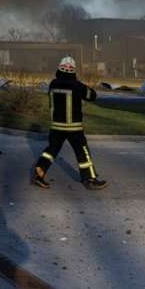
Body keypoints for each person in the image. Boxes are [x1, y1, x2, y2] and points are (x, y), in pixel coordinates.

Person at [31, 56, 107, 190]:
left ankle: (40, 170)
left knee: (51, 150)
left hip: (56, 127)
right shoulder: (77, 85)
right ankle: (89, 179)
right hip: (74, 128)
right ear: (73, 70)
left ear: (59, 68)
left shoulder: (53, 84)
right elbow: (92, 96)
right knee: (82, 152)